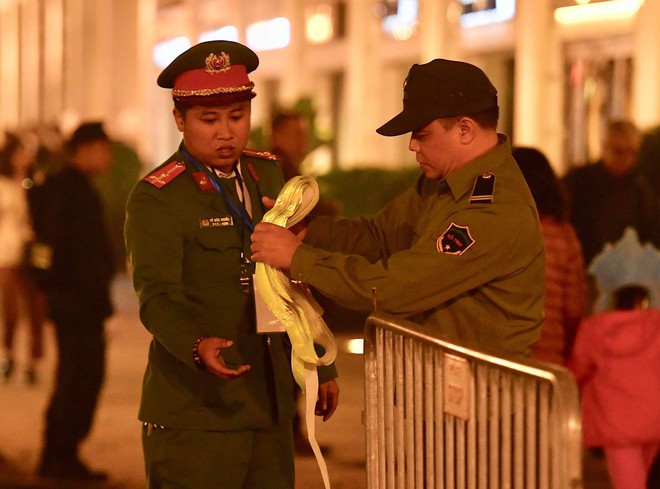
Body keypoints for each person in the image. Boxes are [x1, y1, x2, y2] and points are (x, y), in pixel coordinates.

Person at [124, 40, 339, 489]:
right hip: (198, 409)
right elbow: (156, 296)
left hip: (270, 404)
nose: (226, 132)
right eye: (209, 119)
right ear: (179, 120)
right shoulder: (157, 197)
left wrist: (321, 365)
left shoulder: (270, 175)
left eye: (237, 116)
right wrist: (196, 343)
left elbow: (292, 280)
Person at [251, 58, 545, 360]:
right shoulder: (442, 182)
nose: (412, 146)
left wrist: (299, 259)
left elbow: (395, 288)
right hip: (437, 387)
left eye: (421, 134)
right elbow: (378, 236)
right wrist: (307, 231)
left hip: (482, 395)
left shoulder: (493, 209)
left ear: (465, 130)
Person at [34, 122, 115, 480]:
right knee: (78, 377)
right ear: (85, 148)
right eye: (104, 148)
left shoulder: (76, 187)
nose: (108, 156)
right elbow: (64, 249)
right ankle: (59, 454)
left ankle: (62, 453)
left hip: (79, 301)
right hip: (75, 303)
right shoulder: (69, 189)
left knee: (80, 376)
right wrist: (73, 292)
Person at [568, 285, 660, 489]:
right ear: (642, 301)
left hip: (615, 419)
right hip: (654, 416)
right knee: (643, 477)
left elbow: (578, 368)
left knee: (628, 482)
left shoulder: (594, 327)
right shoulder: (656, 325)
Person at [512, 147, 586, 364]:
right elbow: (574, 309)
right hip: (550, 357)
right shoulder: (564, 235)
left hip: (502, 357)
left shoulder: (495, 230)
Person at [563, 119, 660, 266]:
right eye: (619, 151)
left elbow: (649, 232)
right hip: (586, 265)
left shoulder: (640, 188)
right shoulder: (580, 181)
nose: (626, 158)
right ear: (604, 147)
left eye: (631, 152)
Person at [0, 133, 47, 385]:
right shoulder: (3, 185)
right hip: (7, 253)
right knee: (10, 309)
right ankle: (7, 354)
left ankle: (33, 361)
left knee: (37, 308)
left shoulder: (36, 183)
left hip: (33, 253)